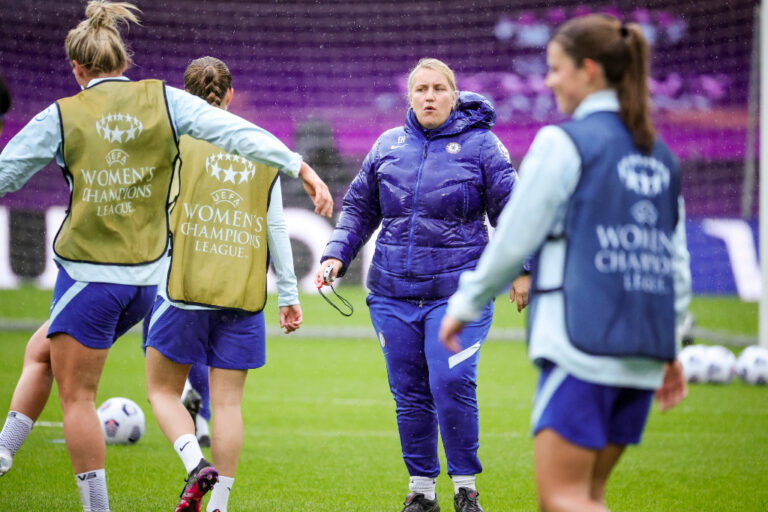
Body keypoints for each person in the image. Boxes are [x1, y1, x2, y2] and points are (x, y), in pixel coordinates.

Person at [0, 2, 331, 511]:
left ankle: (100, 505)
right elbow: (235, 135)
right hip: (150, 281)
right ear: (125, 63)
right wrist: (298, 165)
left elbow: (7, 173)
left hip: (93, 274)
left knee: (79, 397)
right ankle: (3, 454)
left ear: (77, 68)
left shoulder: (61, 115)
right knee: (40, 352)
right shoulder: (164, 101)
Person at [439, 14, 691, 512]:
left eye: (556, 68)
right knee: (590, 495)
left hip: (582, 345)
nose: (549, 80)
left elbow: (515, 235)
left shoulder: (564, 143)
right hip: (643, 352)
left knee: (563, 499)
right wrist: (671, 344)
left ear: (588, 70)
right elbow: (675, 265)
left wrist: (466, 302)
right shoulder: (660, 156)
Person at [316, 58, 530, 512]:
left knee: (450, 384)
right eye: (421, 90)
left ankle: (466, 489)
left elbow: (512, 210)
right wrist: (336, 253)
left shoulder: (483, 146)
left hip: (459, 296)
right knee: (409, 393)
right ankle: (422, 491)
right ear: (409, 97)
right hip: (391, 295)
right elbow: (357, 209)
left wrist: (522, 268)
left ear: (455, 96)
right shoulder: (387, 145)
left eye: (438, 89)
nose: (429, 96)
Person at [143, 56, 305, 512]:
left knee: (161, 391)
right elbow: (276, 226)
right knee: (229, 404)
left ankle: (196, 466)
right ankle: (220, 507)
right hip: (244, 291)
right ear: (230, 95)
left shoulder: (175, 144)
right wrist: (289, 294)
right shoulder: (261, 146)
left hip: (184, 288)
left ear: (184, 95)